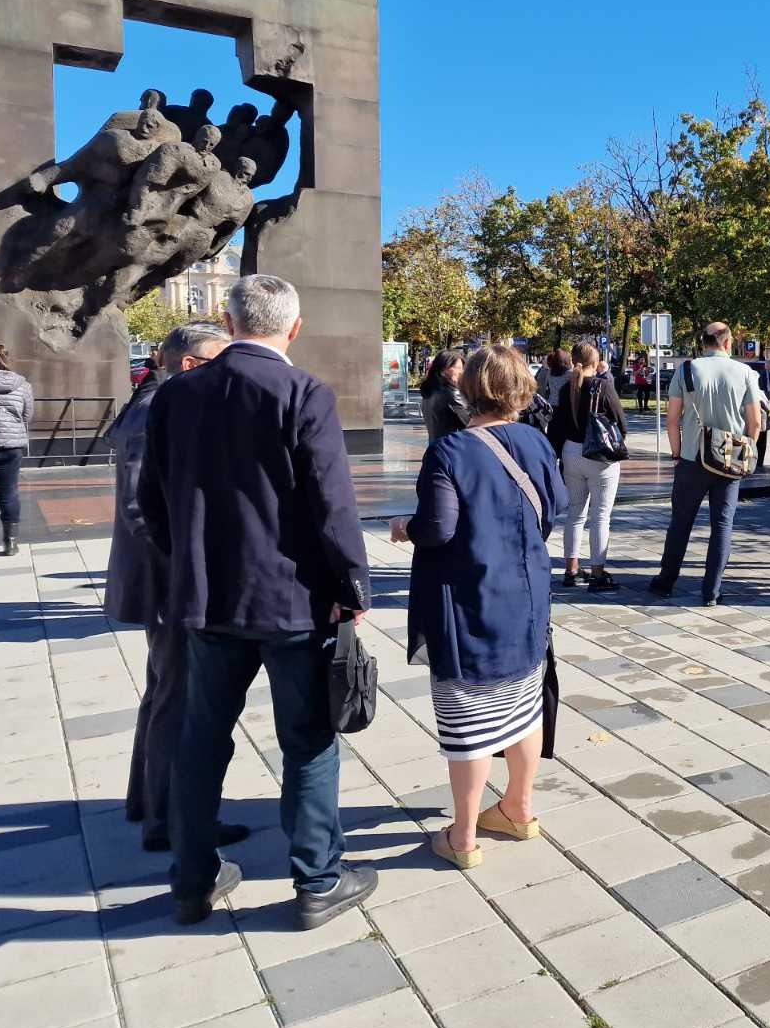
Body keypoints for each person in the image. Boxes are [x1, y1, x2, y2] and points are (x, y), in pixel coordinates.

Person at [137, 275, 376, 928]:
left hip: (208, 600)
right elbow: (333, 504)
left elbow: (150, 503)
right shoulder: (302, 392)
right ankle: (317, 880)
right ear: (293, 329)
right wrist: (352, 585)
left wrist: (187, 562)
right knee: (307, 741)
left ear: (230, 319)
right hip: (294, 603)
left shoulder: (174, 397)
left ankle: (192, 880)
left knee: (201, 738)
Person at [390, 345, 567, 869]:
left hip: (467, 603)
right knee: (523, 702)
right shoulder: (536, 441)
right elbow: (552, 510)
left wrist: (405, 527)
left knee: (467, 721)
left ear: (470, 388)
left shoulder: (449, 451)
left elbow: (438, 528)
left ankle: (463, 837)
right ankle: (518, 808)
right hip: (528, 595)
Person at [108, 324, 243, 855]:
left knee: (164, 687)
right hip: (166, 580)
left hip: (160, 577)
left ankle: (148, 799)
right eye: (220, 362)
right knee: (178, 694)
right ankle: (169, 818)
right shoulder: (159, 410)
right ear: (190, 365)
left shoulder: (154, 403)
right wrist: (188, 562)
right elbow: (143, 507)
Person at [649, 322, 763, 605]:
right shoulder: (745, 373)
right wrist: (744, 451)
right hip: (729, 461)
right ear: (727, 343)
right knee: (722, 525)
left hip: (691, 459)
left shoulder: (687, 370)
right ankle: (711, 592)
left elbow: (672, 420)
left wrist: (676, 454)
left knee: (681, 522)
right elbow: (755, 423)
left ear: (704, 342)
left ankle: (665, 582)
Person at [547, 340, 627, 591]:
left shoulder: (566, 388)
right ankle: (598, 573)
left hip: (571, 451)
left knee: (575, 514)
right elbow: (620, 424)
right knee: (601, 515)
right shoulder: (602, 387)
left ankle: (571, 570)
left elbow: (556, 427)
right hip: (600, 457)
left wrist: (556, 458)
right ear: (596, 361)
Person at [0, 341, 32, 556]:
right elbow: (27, 416)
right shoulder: (22, 385)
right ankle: (10, 542)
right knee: (8, 494)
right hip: (9, 445)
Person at [420, 349, 469, 442]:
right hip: (452, 448)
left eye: (462, 368)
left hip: (436, 447)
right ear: (443, 369)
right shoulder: (451, 393)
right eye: (457, 368)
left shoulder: (429, 390)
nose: (461, 372)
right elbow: (470, 423)